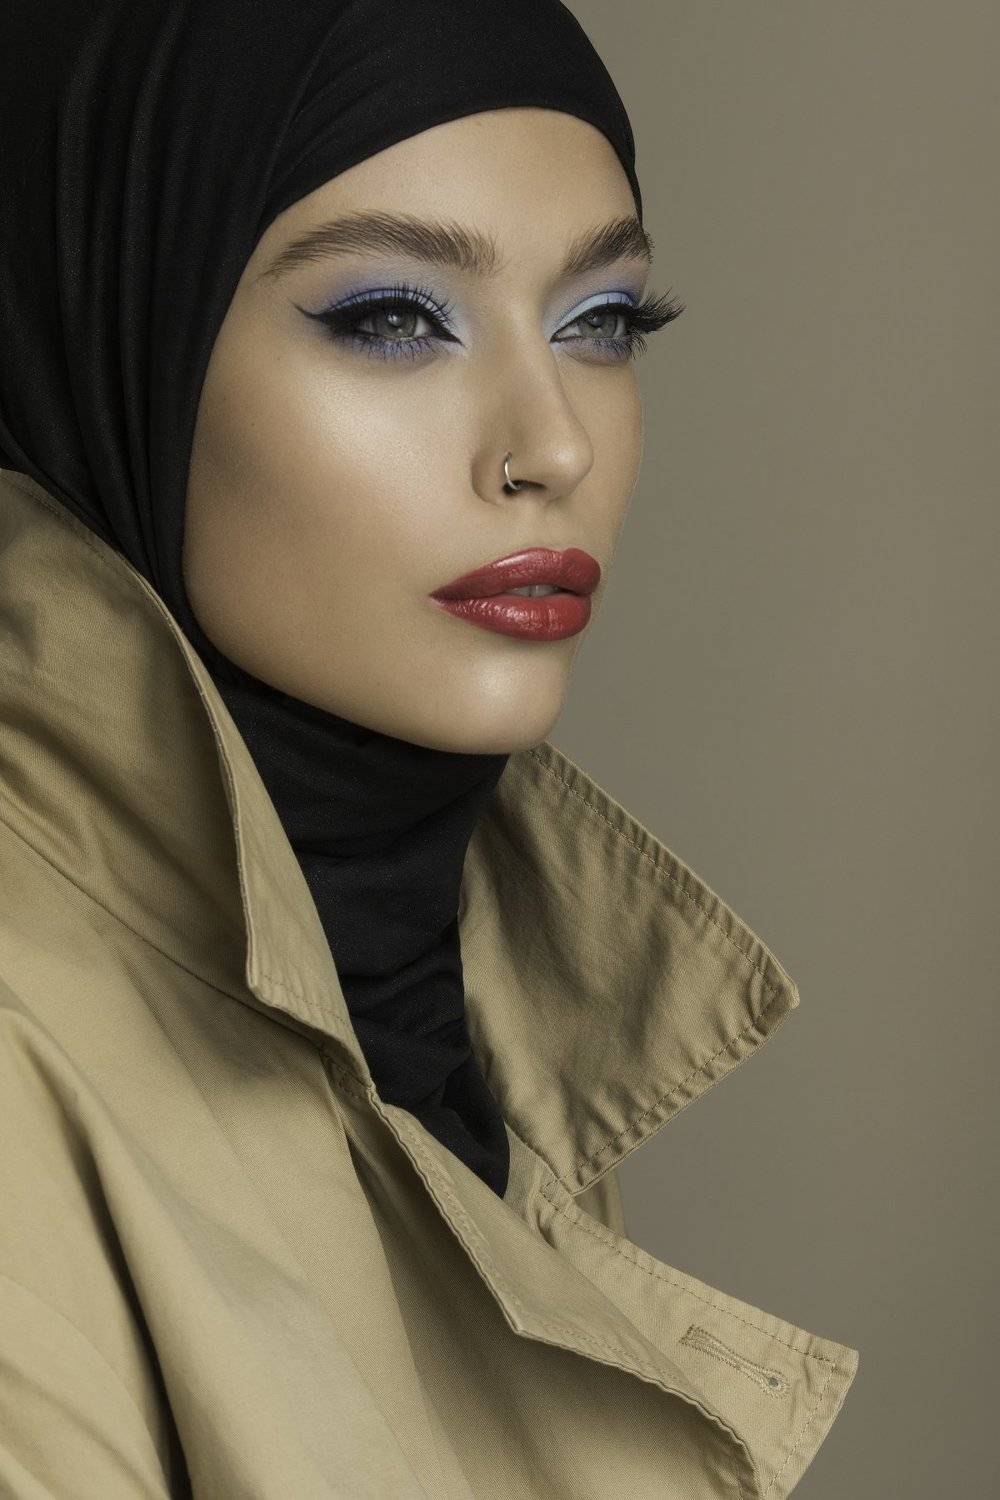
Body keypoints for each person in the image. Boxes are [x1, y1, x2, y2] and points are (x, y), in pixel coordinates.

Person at [0, 0, 859, 1494]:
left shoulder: (435, 993)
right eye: (393, 317)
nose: (554, 444)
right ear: (110, 328)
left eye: (603, 322)